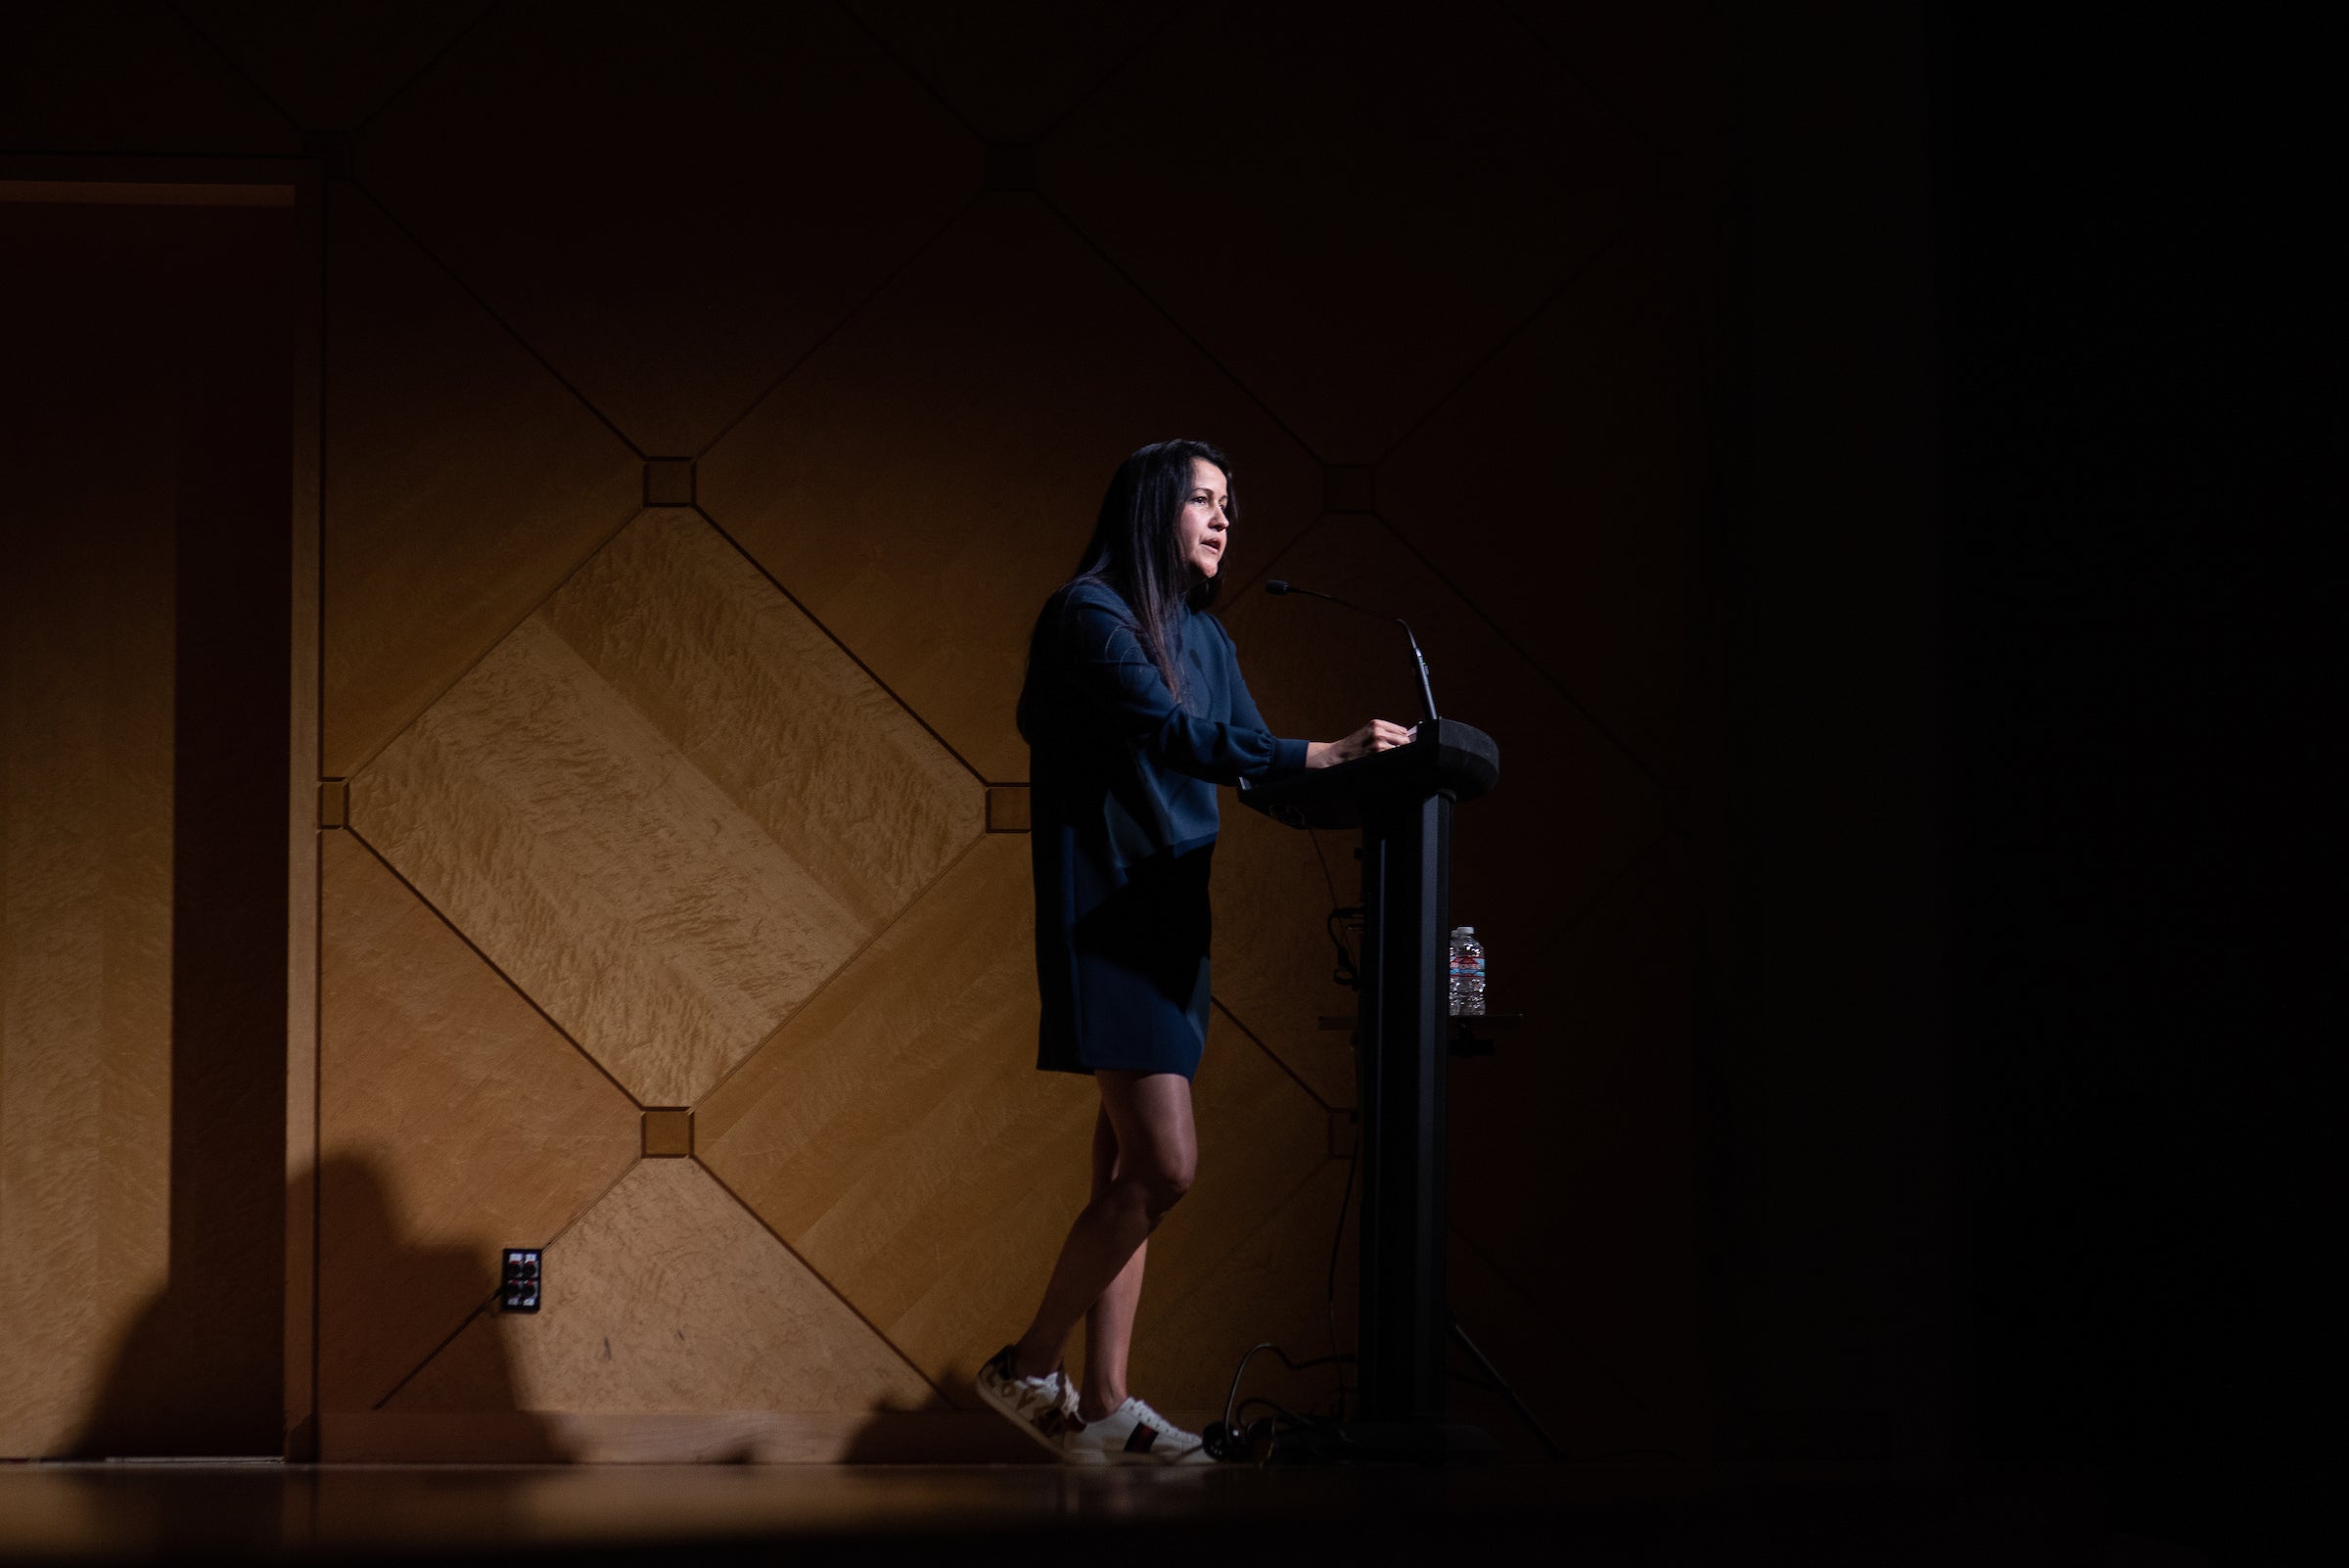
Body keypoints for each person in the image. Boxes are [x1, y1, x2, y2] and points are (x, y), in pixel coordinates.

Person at [974, 439, 1412, 1463]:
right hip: (1111, 920)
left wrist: (1378, 791)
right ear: (1150, 508)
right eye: (1202, 501)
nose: (1223, 520)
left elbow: (1258, 776)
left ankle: (1105, 1405)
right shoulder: (1090, 616)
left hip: (1175, 927)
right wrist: (1327, 748)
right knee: (1167, 1167)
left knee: (1128, 1172)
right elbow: (1176, 738)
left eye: (1229, 505)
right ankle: (1028, 1365)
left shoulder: (1207, 638)